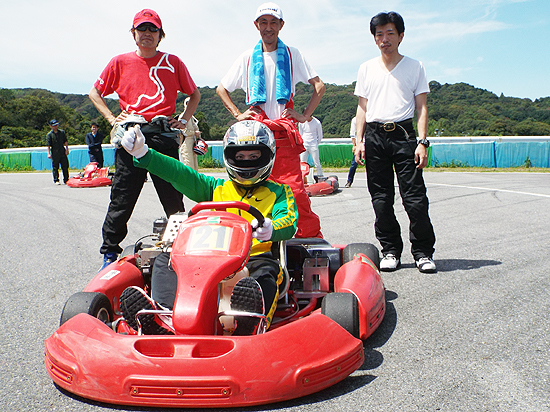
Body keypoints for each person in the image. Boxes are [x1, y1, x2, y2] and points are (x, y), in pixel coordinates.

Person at [118, 120, 297, 336]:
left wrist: (271, 228)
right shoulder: (215, 188)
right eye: (240, 157)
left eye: (254, 156)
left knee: (265, 274)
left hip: (254, 257)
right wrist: (144, 154)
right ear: (230, 157)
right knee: (166, 260)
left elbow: (289, 221)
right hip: (208, 259)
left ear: (267, 156)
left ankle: (249, 323)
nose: (246, 162)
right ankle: (164, 319)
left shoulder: (279, 192)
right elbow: (179, 174)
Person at [88, 8, 200, 270]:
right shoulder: (119, 62)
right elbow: (95, 92)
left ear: (161, 35)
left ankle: (182, 249)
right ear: (133, 33)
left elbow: (193, 94)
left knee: (173, 196)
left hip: (162, 135)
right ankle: (109, 254)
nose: (147, 33)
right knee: (122, 197)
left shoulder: (173, 62)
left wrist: (183, 120)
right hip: (132, 134)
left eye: (153, 29)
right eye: (142, 29)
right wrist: (111, 118)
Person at [216, 2, 325, 239]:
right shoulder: (246, 57)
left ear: (281, 25)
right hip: (255, 135)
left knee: (294, 192)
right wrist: (238, 114)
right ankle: (247, 238)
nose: (268, 27)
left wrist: (304, 115)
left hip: (284, 134)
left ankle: (308, 238)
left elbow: (319, 86)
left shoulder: (292, 54)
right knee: (250, 189)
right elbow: (221, 89)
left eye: (273, 22)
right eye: (263, 22)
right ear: (256, 25)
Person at [354, 11, 436, 273]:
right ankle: (390, 250)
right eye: (379, 34)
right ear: (374, 38)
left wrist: (422, 142)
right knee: (380, 198)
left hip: (404, 135)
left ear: (401, 36)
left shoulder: (415, 66)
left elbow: (421, 107)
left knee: (414, 198)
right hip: (374, 136)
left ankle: (423, 252)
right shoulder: (366, 68)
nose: (384, 39)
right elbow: (362, 109)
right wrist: (359, 141)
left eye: (390, 33)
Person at [178, 97, 201, 171]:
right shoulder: (182, 116)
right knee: (188, 164)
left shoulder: (192, 117)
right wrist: (194, 133)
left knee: (195, 165)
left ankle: (195, 182)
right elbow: (183, 131)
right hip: (186, 142)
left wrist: (199, 137)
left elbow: (195, 127)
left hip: (193, 143)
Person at [299, 116, 324, 183]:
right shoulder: (301, 122)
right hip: (304, 143)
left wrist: (316, 142)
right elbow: (301, 133)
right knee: (302, 162)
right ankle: (302, 178)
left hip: (313, 144)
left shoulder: (317, 122)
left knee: (316, 162)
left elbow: (320, 135)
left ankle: (320, 177)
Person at [46, 119, 69, 185]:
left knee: (65, 166)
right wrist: (48, 153)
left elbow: (65, 142)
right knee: (55, 167)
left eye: (56, 125)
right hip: (55, 152)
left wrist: (67, 149)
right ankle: (56, 180)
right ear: (51, 126)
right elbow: (48, 145)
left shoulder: (61, 132)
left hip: (62, 150)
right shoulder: (49, 135)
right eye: (54, 126)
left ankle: (66, 179)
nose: (55, 127)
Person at [345, 116, 362, 188]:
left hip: (369, 142)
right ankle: (349, 181)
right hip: (359, 144)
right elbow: (352, 133)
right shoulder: (355, 119)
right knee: (354, 164)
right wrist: (354, 145)